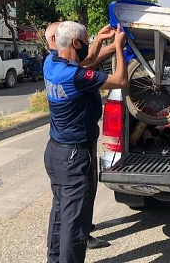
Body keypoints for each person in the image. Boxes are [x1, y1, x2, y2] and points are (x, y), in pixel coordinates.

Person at [43, 21, 128, 263]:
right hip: (74, 157)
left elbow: (87, 61)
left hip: (55, 153)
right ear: (75, 43)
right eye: (85, 40)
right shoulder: (76, 76)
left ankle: (54, 259)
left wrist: (99, 41)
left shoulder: (51, 64)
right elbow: (121, 81)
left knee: (60, 214)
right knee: (76, 224)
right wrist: (119, 47)